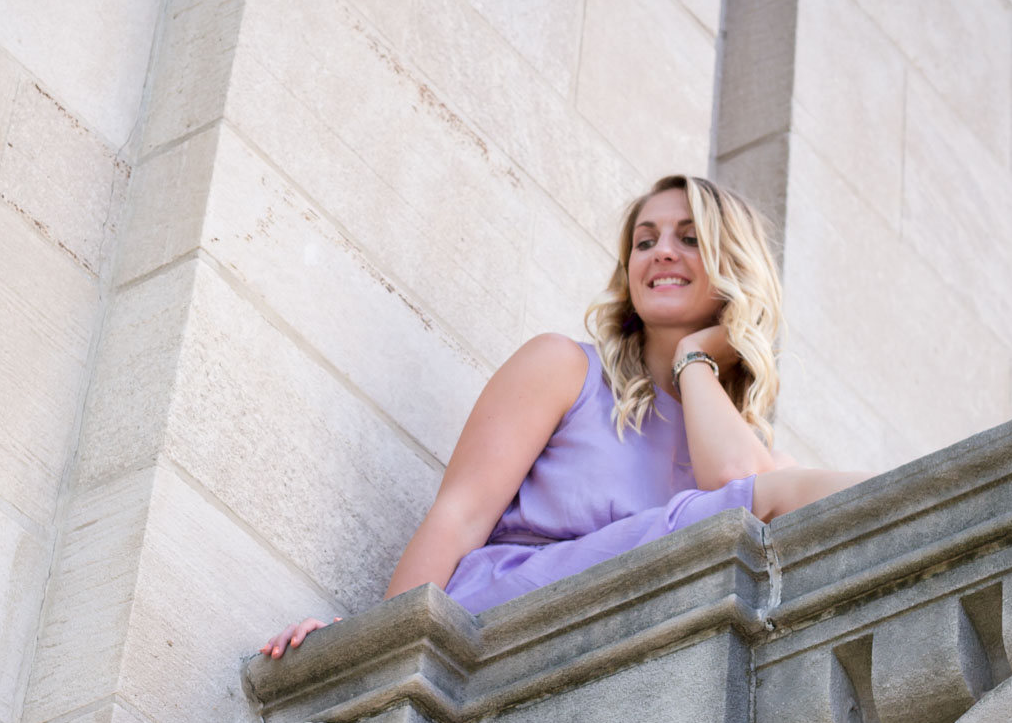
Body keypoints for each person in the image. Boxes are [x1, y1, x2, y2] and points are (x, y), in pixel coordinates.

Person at [261, 175, 870, 658]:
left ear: (732, 268)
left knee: (783, 493)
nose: (661, 252)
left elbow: (733, 475)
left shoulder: (750, 451)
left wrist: (693, 361)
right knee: (778, 493)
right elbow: (459, 515)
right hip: (501, 607)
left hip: (623, 628)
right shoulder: (563, 369)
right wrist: (373, 649)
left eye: (689, 238)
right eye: (645, 239)